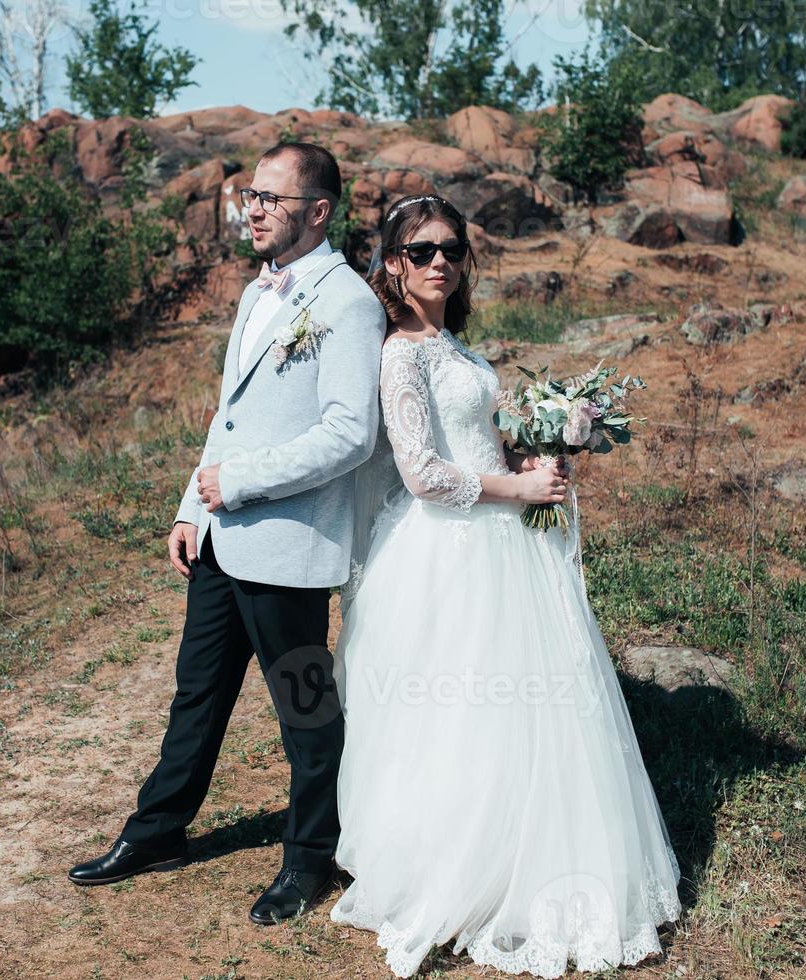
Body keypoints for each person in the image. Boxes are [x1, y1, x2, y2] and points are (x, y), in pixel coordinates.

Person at [329, 194, 683, 977]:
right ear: (393, 264)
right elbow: (421, 474)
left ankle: (541, 856)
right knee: (458, 710)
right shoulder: (400, 354)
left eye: (451, 249)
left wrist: (529, 459)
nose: (440, 263)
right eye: (421, 252)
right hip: (445, 551)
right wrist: (515, 491)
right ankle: (453, 867)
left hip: (501, 539)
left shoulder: (456, 346)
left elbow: (478, 441)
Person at [67, 141, 386, 927]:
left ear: (318, 211)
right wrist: (191, 506)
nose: (254, 209)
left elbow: (351, 434)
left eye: (271, 199)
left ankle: (310, 858)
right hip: (219, 540)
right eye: (251, 195)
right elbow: (229, 415)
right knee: (196, 697)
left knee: (306, 715)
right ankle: (157, 833)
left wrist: (238, 484)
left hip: (290, 549)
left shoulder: (348, 304)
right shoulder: (256, 295)